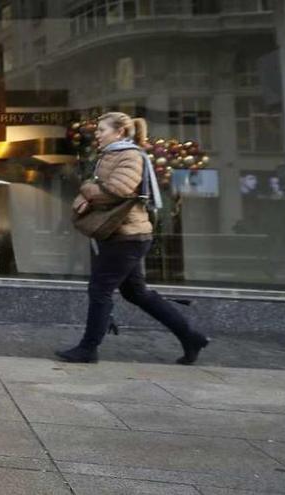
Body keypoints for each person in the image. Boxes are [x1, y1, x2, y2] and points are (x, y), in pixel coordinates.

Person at [57, 112, 210, 365]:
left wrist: (86, 189)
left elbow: (120, 189)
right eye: (97, 129)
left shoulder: (129, 155)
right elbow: (107, 191)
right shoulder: (111, 155)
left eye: (102, 129)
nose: (97, 133)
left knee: (100, 290)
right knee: (137, 293)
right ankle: (190, 336)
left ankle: (88, 348)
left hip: (126, 236)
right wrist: (90, 194)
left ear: (119, 132)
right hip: (122, 234)